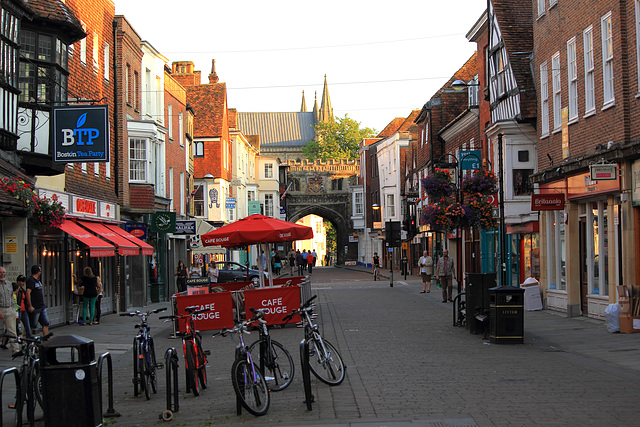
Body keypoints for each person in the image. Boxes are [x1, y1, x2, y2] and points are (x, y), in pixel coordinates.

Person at [0, 267, 21, 357]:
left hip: (9, 309)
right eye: (1, 272)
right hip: (0, 308)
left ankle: (15, 350)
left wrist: (14, 310)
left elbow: (12, 297)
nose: (2, 274)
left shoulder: (8, 284)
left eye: (4, 272)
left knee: (12, 331)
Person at [26, 265, 49, 336]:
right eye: (40, 271)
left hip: (41, 305)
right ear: (38, 272)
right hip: (35, 306)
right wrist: (30, 305)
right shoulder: (31, 280)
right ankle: (29, 339)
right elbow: (28, 293)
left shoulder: (37, 281)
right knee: (33, 324)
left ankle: (46, 339)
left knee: (45, 323)